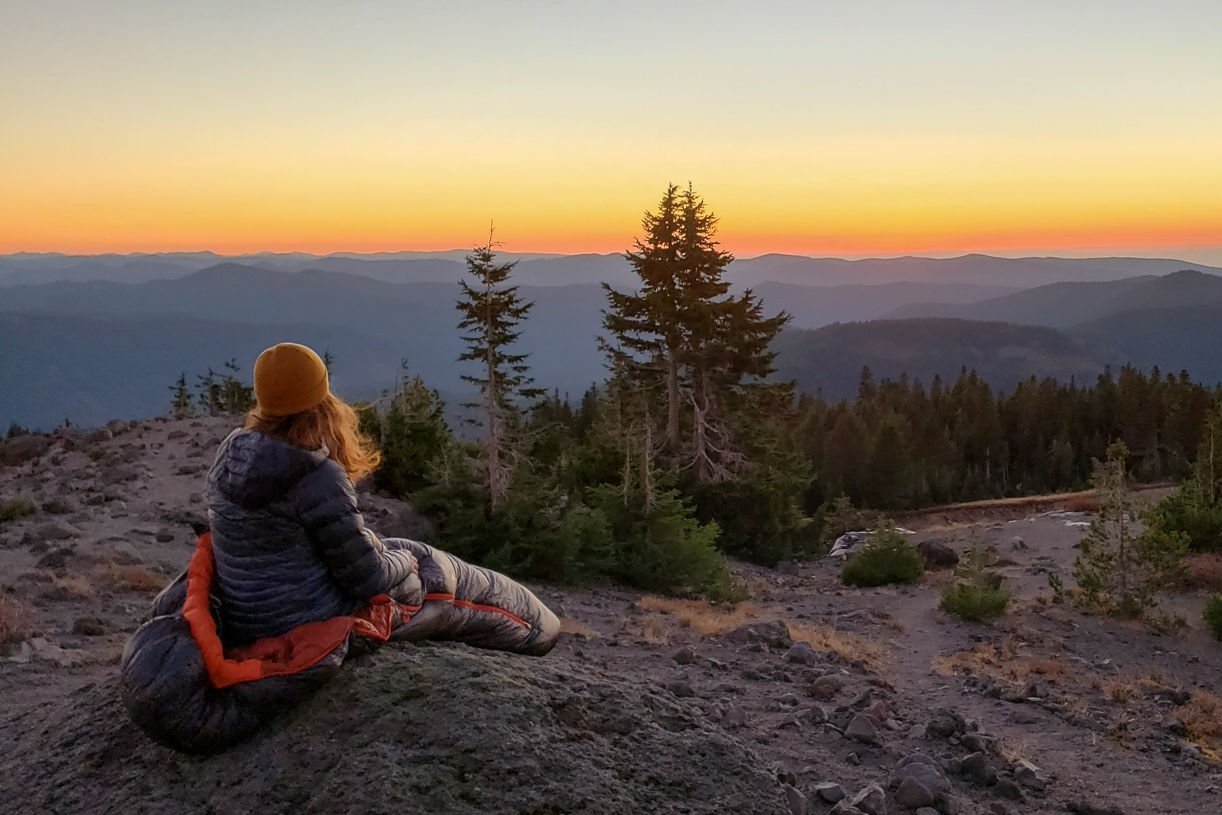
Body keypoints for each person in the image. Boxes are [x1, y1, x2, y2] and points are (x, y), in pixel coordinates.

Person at [120, 342, 558, 753]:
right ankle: (540, 631)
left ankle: (533, 622)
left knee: (400, 553)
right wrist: (401, 561)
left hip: (247, 616)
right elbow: (366, 577)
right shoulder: (315, 477)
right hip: (309, 620)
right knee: (430, 576)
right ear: (320, 404)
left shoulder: (230, 457)